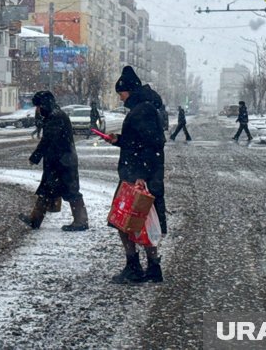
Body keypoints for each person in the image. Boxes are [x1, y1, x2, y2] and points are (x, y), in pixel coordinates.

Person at [106, 66, 166, 283]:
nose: (121, 98)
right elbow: (139, 142)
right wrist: (119, 140)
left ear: (129, 90)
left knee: (123, 221)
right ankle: (152, 267)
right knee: (144, 221)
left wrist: (139, 174)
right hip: (144, 173)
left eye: (121, 93)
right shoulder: (145, 108)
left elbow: (151, 144)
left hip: (137, 175)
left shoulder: (142, 110)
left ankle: (134, 267)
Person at [18, 90, 89, 232]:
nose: (37, 110)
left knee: (71, 191)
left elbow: (48, 140)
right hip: (60, 161)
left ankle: (81, 221)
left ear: (44, 104)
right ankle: (35, 220)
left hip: (62, 162)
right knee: (46, 190)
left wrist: (35, 157)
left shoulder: (55, 117)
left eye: (38, 106)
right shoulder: (54, 115)